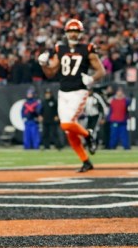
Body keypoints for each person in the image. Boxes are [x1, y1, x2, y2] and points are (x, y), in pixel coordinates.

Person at [38, 19, 106, 172]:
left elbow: (101, 71)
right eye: (70, 31)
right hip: (63, 92)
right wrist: (43, 64)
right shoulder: (60, 49)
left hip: (79, 91)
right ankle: (86, 161)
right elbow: (51, 73)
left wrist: (92, 78)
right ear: (66, 33)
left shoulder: (87, 49)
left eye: (76, 31)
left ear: (80, 33)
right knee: (68, 130)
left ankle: (88, 136)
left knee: (66, 124)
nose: (73, 34)